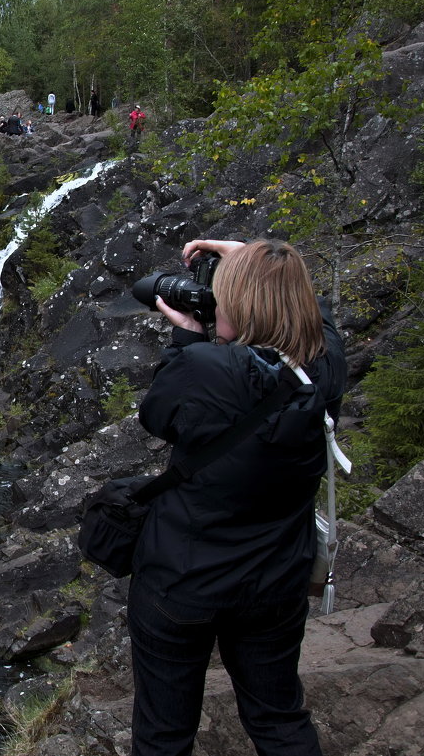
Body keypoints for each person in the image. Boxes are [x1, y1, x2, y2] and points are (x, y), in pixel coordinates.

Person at [130, 238, 347, 756]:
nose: (214, 303)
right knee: (278, 718)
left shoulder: (205, 367)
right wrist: (264, 261)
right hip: (275, 581)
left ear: (243, 305)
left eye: (223, 295)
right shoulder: (324, 367)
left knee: (164, 732)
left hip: (183, 581)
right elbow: (319, 320)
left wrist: (185, 341)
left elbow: (157, 417)